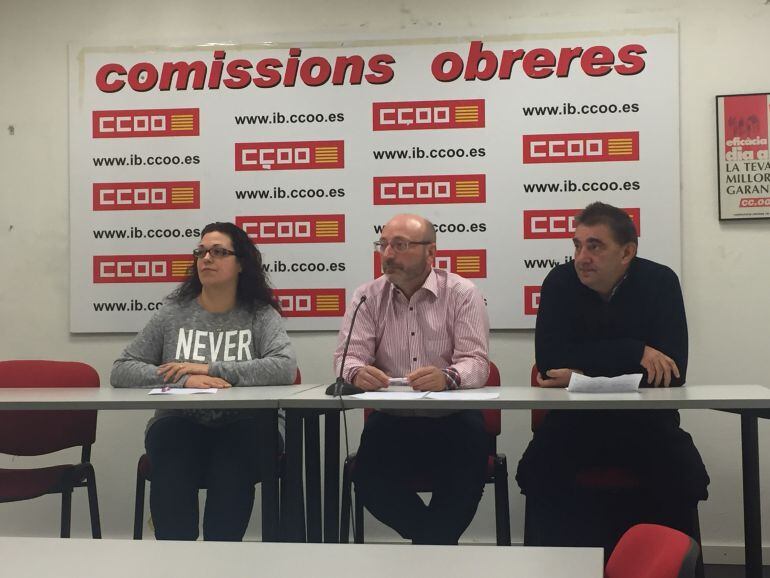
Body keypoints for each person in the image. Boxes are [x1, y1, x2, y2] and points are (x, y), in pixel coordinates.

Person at [516, 202, 709, 554]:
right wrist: (635, 351)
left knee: (682, 474)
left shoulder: (660, 282)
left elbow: (672, 372)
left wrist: (583, 371)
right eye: (577, 245)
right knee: (538, 470)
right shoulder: (559, 282)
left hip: (645, 422)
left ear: (627, 252)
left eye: (595, 246)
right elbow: (550, 364)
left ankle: (666, 563)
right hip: (575, 423)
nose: (582, 257)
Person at [111, 222, 297, 541]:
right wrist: (183, 379)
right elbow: (121, 370)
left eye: (219, 252)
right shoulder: (172, 314)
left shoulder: (260, 314)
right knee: (172, 455)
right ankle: (176, 557)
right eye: (201, 252)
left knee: (233, 464)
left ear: (241, 263)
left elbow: (284, 368)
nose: (207, 258)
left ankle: (220, 557)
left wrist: (210, 368)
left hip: (246, 423)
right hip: (180, 422)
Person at [334, 213, 490, 545]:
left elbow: (477, 363)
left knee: (464, 479)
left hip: (454, 421)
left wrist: (448, 377)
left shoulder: (462, 293)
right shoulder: (367, 296)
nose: (388, 254)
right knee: (368, 481)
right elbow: (346, 359)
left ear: (430, 252)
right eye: (383, 244)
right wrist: (357, 372)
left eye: (400, 245)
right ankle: (436, 546)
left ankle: (429, 548)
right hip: (393, 420)